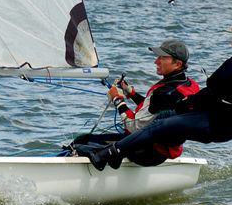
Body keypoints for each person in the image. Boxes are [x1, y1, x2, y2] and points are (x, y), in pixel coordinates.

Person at [76, 15, 232, 171]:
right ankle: (113, 152)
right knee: (166, 117)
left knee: (161, 123)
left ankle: (110, 154)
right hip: (231, 126)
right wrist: (133, 95)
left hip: (215, 124)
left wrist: (120, 101)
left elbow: (212, 88)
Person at [71, 39, 200, 166]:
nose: (156, 61)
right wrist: (131, 93)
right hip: (162, 150)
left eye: (162, 58)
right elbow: (155, 111)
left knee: (81, 142)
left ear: (177, 64)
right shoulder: (188, 85)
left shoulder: (162, 93)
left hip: (145, 153)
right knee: (89, 141)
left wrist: (117, 100)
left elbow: (133, 127)